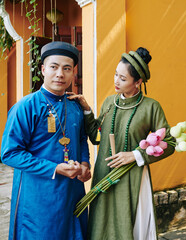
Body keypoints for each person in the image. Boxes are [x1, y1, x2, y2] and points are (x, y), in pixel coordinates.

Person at [68, 47, 175, 240]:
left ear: (138, 82)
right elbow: (96, 136)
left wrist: (135, 155)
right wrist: (86, 110)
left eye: (123, 79)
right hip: (104, 173)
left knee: (129, 223)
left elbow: (170, 143)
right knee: (102, 222)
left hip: (132, 176)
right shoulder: (109, 102)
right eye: (116, 75)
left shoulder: (151, 107)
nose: (116, 81)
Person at [1, 41, 91, 240]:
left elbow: (82, 138)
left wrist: (85, 164)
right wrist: (55, 168)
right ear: (43, 69)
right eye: (54, 67)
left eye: (67, 68)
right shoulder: (26, 107)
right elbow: (9, 153)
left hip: (72, 191)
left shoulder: (75, 106)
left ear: (73, 73)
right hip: (38, 195)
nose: (60, 74)